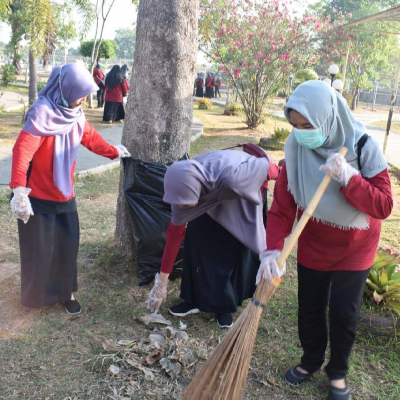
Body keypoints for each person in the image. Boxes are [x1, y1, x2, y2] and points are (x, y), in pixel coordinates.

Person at [256, 80, 392, 400]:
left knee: (344, 312)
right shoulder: (295, 148)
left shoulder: (363, 145)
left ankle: (338, 373)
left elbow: (384, 205)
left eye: (308, 126)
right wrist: (272, 251)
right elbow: (282, 209)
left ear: (328, 117)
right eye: (295, 125)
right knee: (310, 307)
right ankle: (310, 360)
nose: (301, 133)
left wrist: (350, 178)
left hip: (356, 246)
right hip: (314, 242)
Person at [9, 63, 131, 315]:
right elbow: (23, 151)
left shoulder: (76, 115)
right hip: (38, 194)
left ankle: (67, 293)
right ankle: (37, 296)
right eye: (80, 93)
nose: (84, 99)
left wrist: (114, 152)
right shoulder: (41, 113)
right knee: (39, 248)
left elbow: (92, 139)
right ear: (65, 89)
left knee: (68, 245)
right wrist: (19, 189)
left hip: (65, 193)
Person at [145, 148, 280, 328]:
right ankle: (194, 299)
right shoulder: (181, 187)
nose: (182, 208)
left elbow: (266, 168)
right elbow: (174, 236)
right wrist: (161, 283)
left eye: (186, 204)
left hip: (241, 191)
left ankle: (224, 307)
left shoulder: (233, 177)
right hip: (209, 189)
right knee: (196, 239)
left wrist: (283, 172)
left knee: (227, 243)